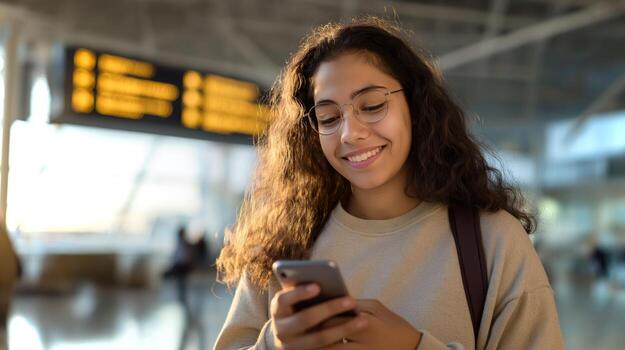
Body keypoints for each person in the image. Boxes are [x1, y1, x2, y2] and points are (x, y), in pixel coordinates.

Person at [213, 17, 564, 350]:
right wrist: (276, 343)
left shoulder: (493, 242)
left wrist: (414, 346)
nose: (350, 134)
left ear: (415, 105)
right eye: (330, 117)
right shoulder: (286, 244)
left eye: (372, 105)